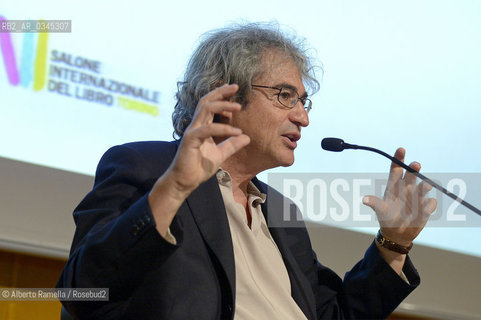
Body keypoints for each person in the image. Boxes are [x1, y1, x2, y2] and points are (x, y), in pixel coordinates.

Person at [57, 22, 436, 319]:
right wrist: (172, 189)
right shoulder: (146, 167)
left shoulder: (282, 213)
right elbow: (82, 292)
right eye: (285, 96)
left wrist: (394, 245)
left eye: (304, 101)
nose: (302, 117)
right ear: (226, 96)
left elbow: (331, 314)